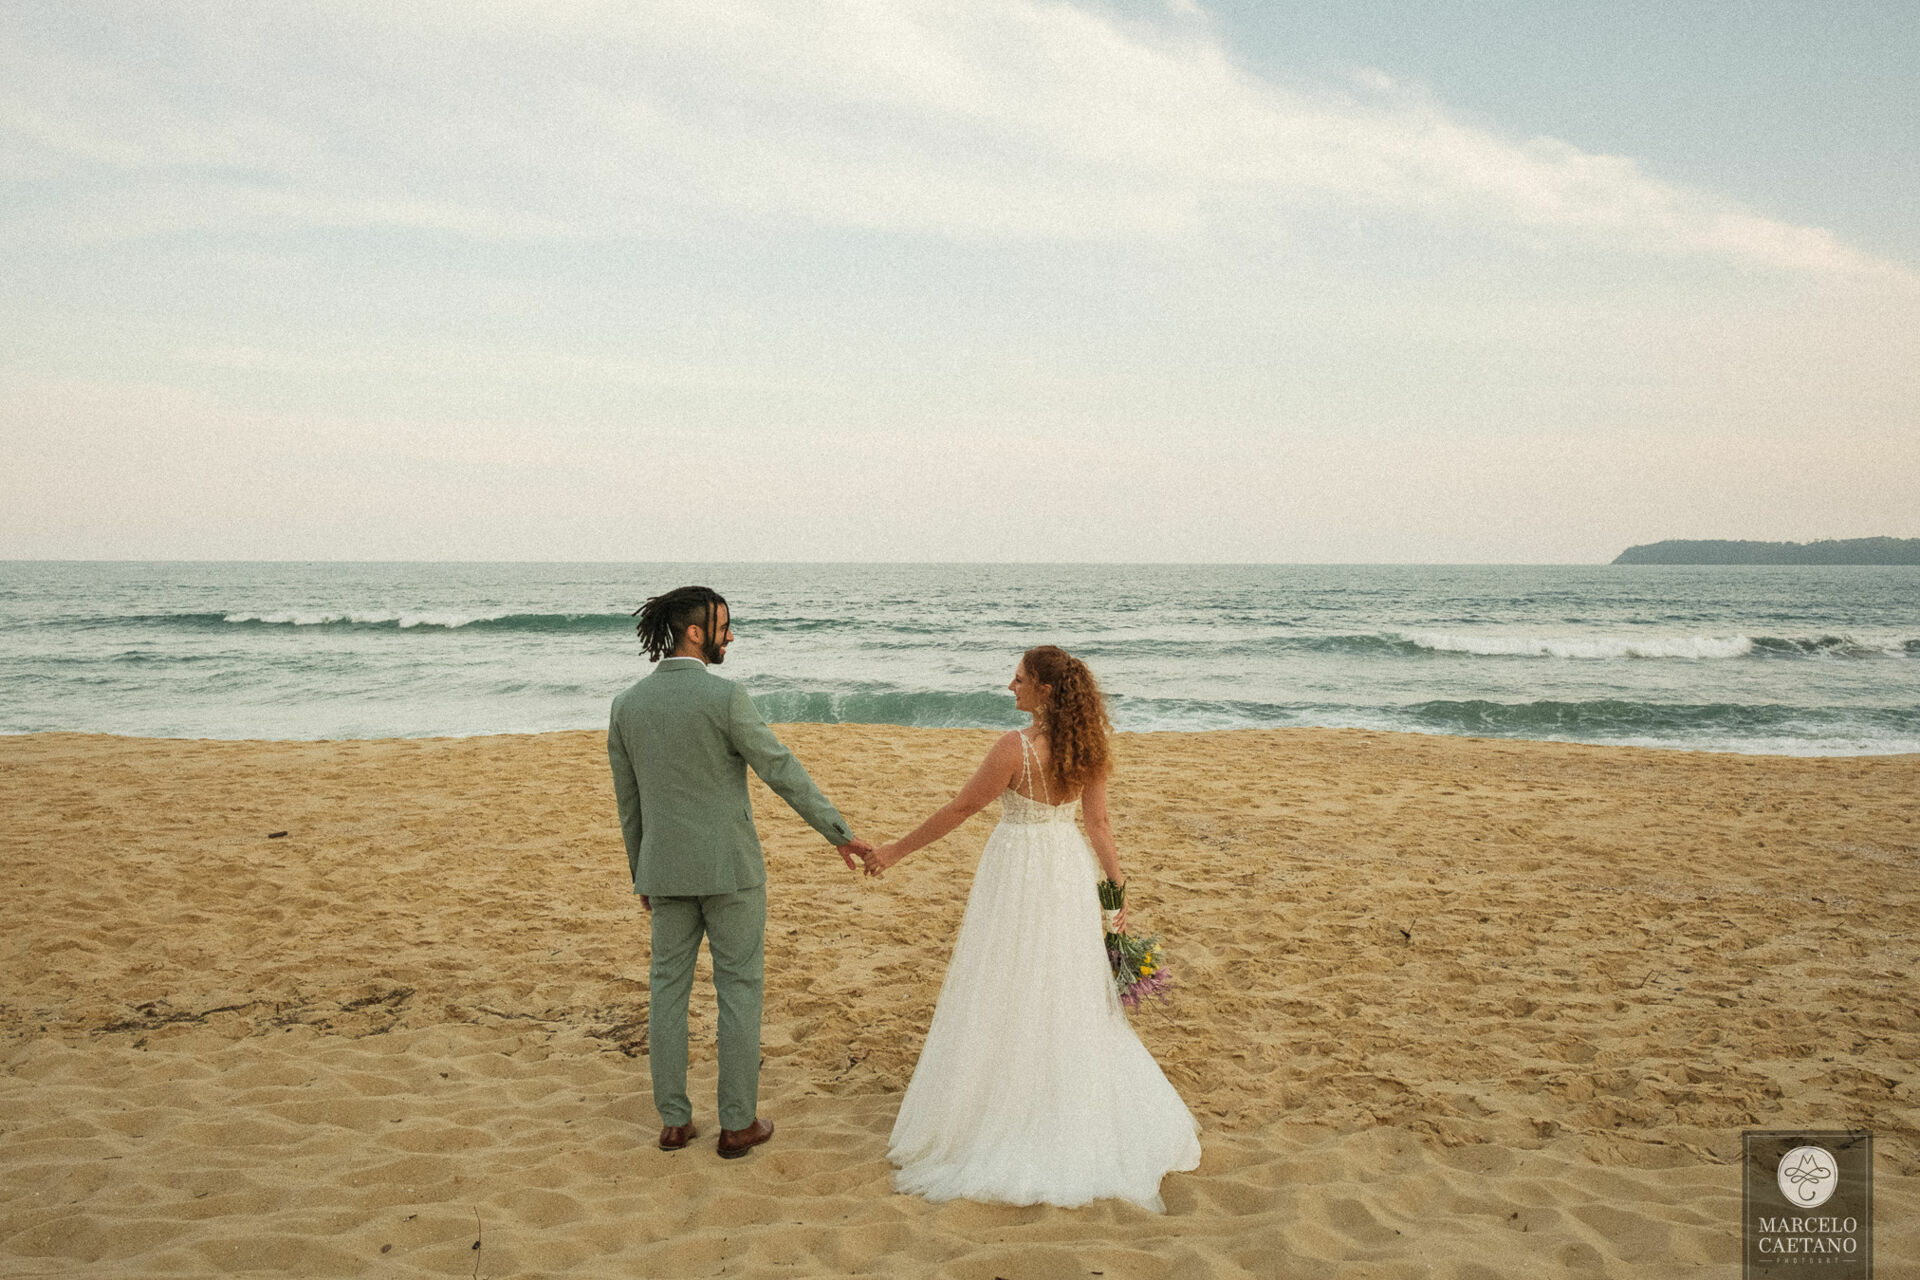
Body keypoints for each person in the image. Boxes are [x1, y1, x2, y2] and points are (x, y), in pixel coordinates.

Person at [861, 645, 1201, 1210]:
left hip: (1017, 868)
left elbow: (961, 809)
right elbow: (1098, 824)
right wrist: (1115, 889)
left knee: (1007, 977)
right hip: (1066, 866)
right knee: (1062, 982)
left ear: (1044, 689)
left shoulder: (1013, 748)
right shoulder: (1086, 748)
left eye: (1019, 678)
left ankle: (1003, 1105)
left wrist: (895, 851)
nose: (1009, 685)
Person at [608, 586, 872, 1159]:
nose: (731, 636)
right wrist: (840, 833)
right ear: (696, 632)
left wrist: (642, 874)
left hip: (665, 872)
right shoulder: (725, 699)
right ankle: (736, 1125)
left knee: (667, 993)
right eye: (723, 626)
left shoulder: (627, 705)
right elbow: (781, 769)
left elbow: (629, 805)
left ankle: (675, 1123)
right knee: (739, 991)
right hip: (731, 872)